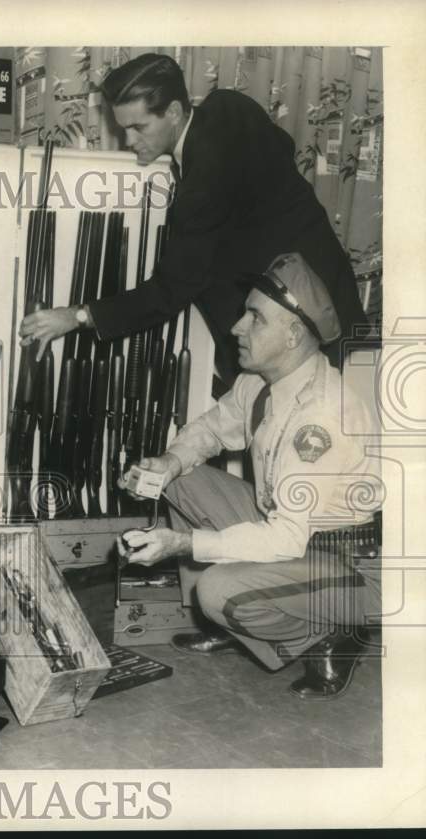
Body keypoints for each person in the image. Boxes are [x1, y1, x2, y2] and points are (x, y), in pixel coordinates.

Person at [117, 253, 381, 700]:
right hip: (295, 533)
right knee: (178, 477)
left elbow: (284, 539)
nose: (237, 326)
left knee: (216, 590)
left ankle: (329, 636)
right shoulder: (262, 380)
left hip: (349, 565)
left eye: (255, 318)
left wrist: (184, 544)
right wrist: (169, 462)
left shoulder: (320, 416)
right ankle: (239, 625)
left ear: (294, 333)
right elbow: (209, 429)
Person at [19, 53, 369, 383]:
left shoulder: (203, 183)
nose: (129, 140)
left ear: (173, 112)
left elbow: (169, 292)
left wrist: (76, 316)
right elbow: (283, 144)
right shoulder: (227, 105)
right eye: (124, 127)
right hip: (323, 289)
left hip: (307, 324)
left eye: (139, 127)